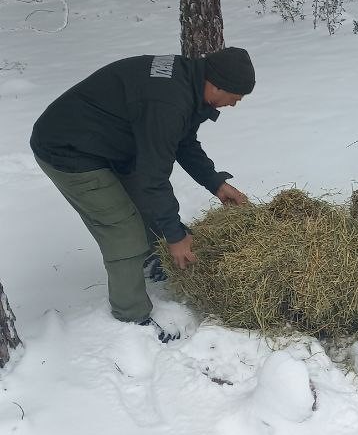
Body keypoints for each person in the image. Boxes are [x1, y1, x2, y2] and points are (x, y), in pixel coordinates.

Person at [31, 47, 255, 342]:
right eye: (235, 97)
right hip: (68, 150)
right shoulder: (169, 102)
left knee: (148, 208)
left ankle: (152, 259)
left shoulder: (187, 80)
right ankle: (130, 317)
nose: (235, 104)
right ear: (216, 84)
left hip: (108, 142)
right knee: (123, 230)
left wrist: (215, 183)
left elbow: (182, 141)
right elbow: (154, 178)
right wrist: (175, 237)